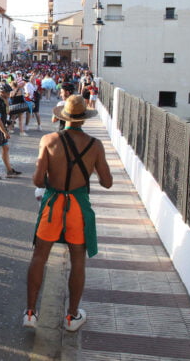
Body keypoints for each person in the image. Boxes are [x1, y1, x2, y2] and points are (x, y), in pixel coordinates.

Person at [24, 95, 112, 332]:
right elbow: (107, 182)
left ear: (63, 117)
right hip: (78, 207)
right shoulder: (95, 145)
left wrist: (54, 175)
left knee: (39, 256)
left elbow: (37, 179)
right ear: (83, 119)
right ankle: (72, 317)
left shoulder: (49, 140)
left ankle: (31, 313)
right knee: (77, 261)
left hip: (53, 204)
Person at [0, 82, 21, 180]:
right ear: (1, 92)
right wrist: (4, 132)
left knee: (5, 148)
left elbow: (2, 117)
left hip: (1, 127)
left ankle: (9, 170)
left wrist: (8, 122)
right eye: (7, 92)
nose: (9, 94)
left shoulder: (4, 100)